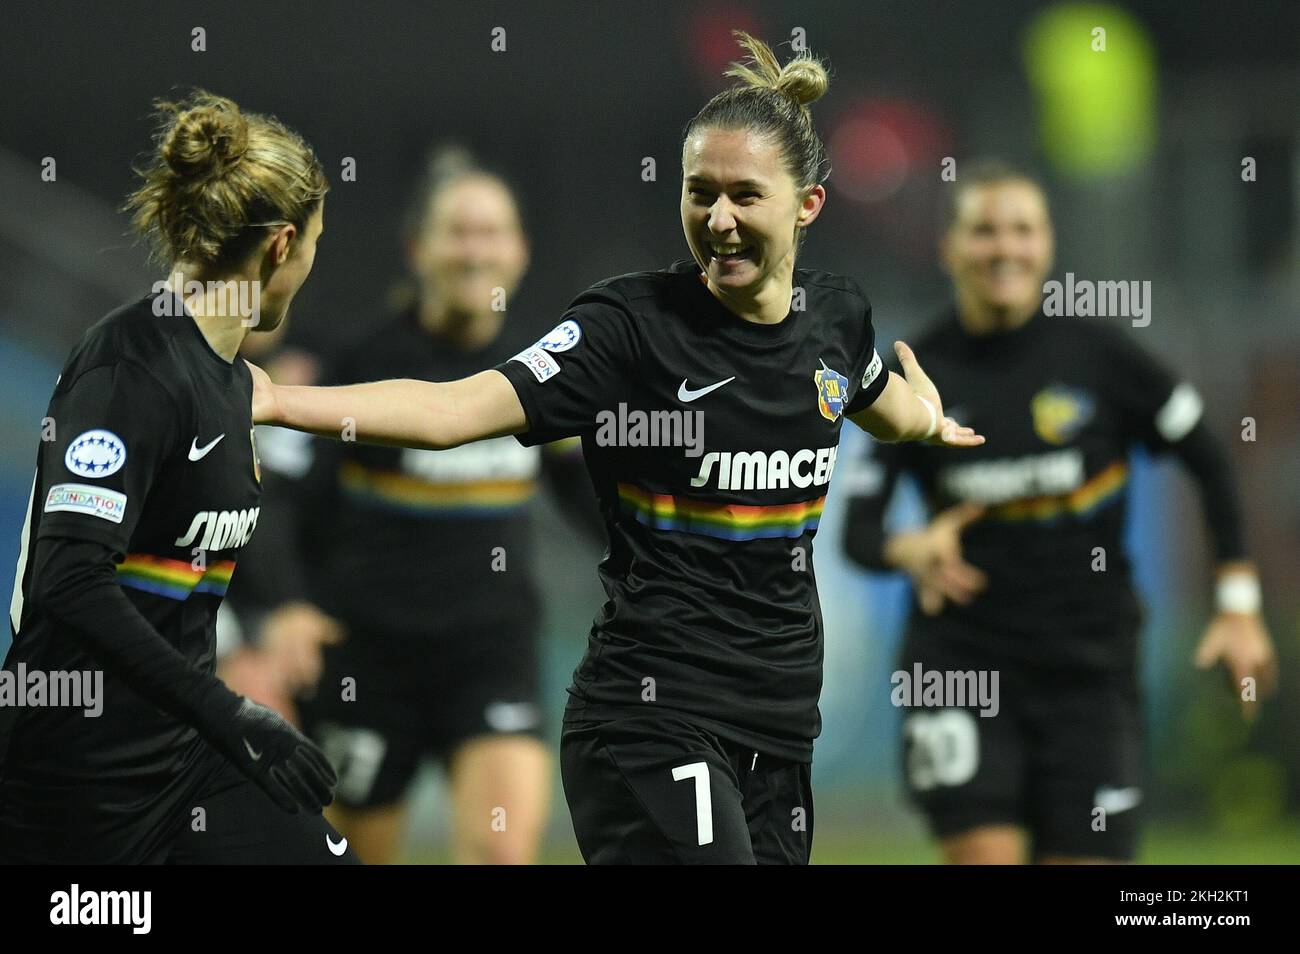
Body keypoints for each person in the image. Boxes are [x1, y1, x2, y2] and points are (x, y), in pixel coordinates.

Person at [247, 33, 982, 864]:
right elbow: (453, 409)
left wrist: (925, 416)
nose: (719, 220)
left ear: (807, 205)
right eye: (699, 193)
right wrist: (276, 399)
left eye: (746, 195)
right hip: (651, 718)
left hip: (777, 724)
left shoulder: (837, 320)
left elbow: (879, 400)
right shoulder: (628, 329)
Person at [842, 161, 1278, 864]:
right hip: (962, 669)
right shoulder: (919, 377)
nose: (1004, 248)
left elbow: (1210, 457)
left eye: (1023, 230)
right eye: (984, 230)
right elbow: (859, 534)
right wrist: (908, 550)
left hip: (1089, 672)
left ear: (1046, 246)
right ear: (949, 247)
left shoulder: (1100, 356)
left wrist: (1236, 603)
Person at [0, 90, 355, 864]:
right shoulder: (129, 367)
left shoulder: (231, 381)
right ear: (281, 244)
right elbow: (67, 577)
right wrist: (228, 708)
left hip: (185, 762)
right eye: (316, 246)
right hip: (72, 782)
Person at [283, 147, 603, 864]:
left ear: (519, 251)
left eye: (492, 233)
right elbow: (290, 503)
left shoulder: (544, 368)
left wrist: (663, 567)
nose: (475, 251)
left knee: (499, 854)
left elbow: (589, 494)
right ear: (416, 249)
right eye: (458, 232)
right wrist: (286, 607)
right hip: (367, 659)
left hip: (491, 655)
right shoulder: (361, 364)